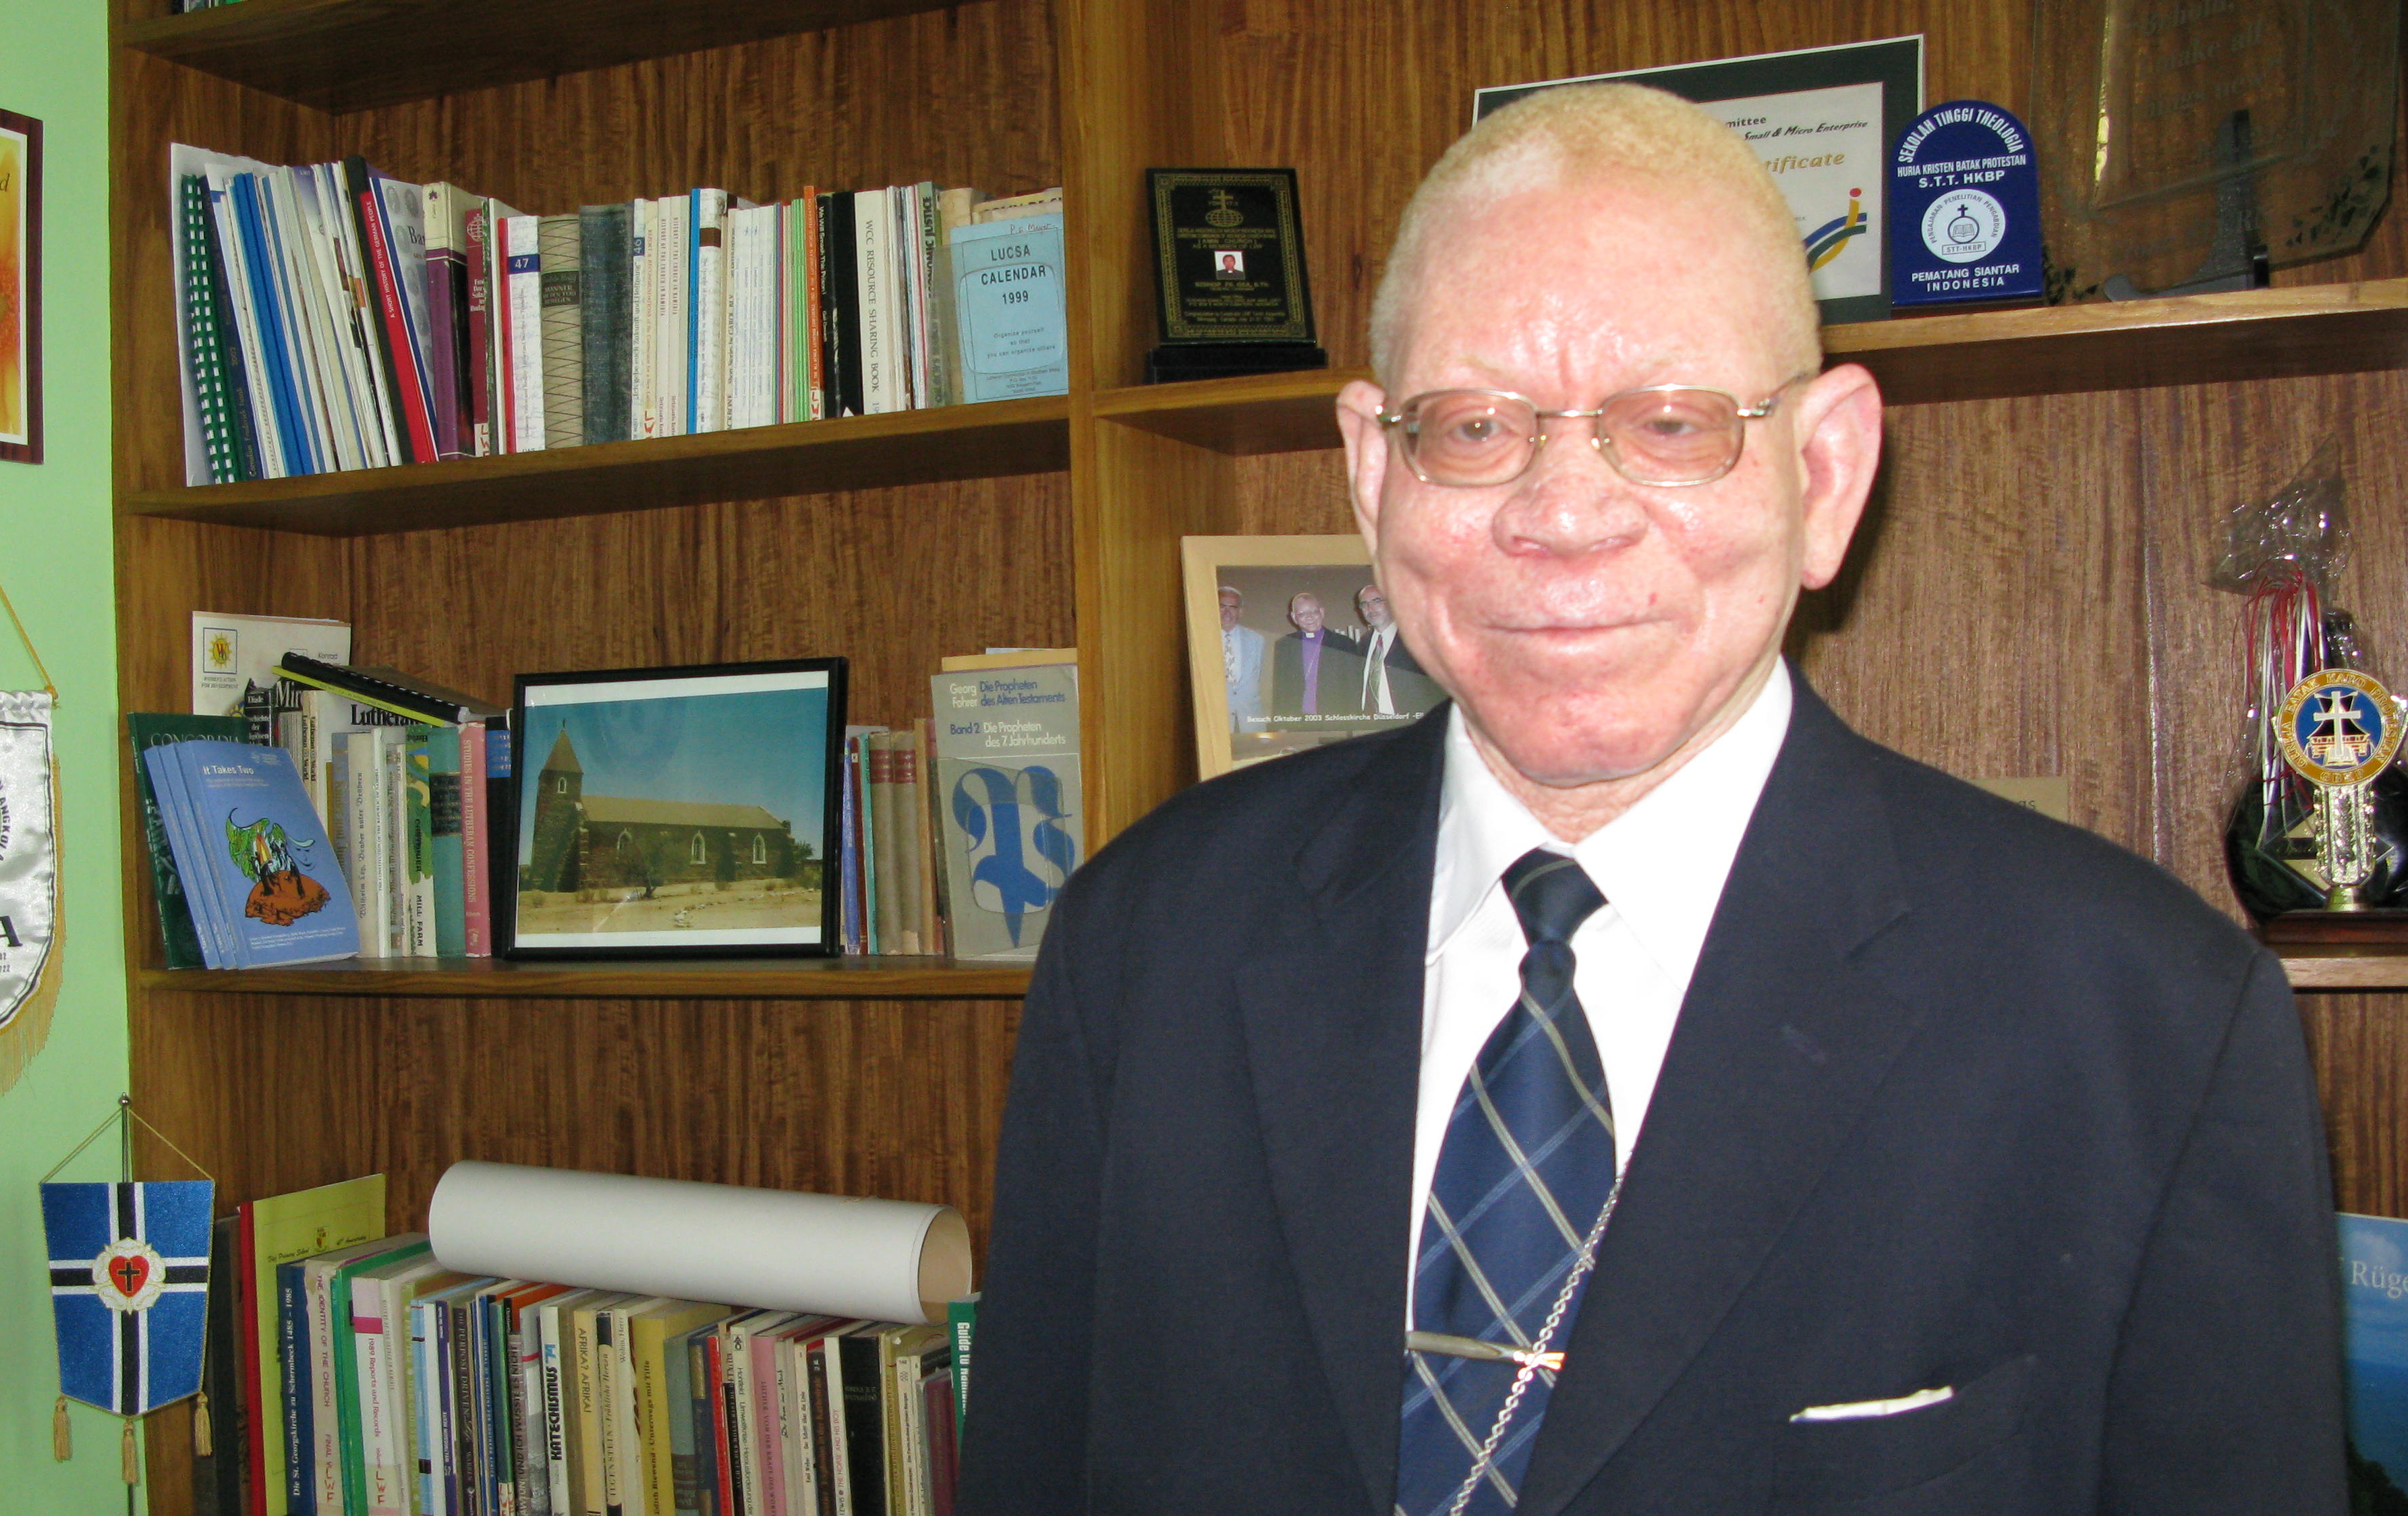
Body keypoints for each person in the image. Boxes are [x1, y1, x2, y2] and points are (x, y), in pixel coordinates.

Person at [958, 82, 2340, 1516]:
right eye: (1474, 425)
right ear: (1373, 473)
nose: (1563, 516)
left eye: (1672, 422)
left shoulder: (2149, 1026)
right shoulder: (1143, 940)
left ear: (1824, 473)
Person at [1268, 589, 1367, 720]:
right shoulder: (1284, 645)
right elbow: (1279, 690)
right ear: (1294, 617)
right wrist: (1280, 722)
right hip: (1296, 719)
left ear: (1322, 612)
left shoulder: (1344, 644)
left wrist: (1353, 722)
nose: (1309, 617)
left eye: (1314, 612)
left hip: (1334, 719)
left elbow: (1353, 689)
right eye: (1302, 614)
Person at [1349, 581, 1441, 718]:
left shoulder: (1415, 640)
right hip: (1370, 722)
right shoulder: (1363, 644)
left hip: (1408, 722)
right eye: (1364, 604)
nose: (1370, 608)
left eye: (1377, 601)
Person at [1220, 583, 1269, 731]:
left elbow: (1256, 678)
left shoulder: (1257, 640)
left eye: (1233, 607)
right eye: (1222, 606)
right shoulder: (1200, 639)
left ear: (1240, 612)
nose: (1227, 612)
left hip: (1250, 721)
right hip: (1216, 721)